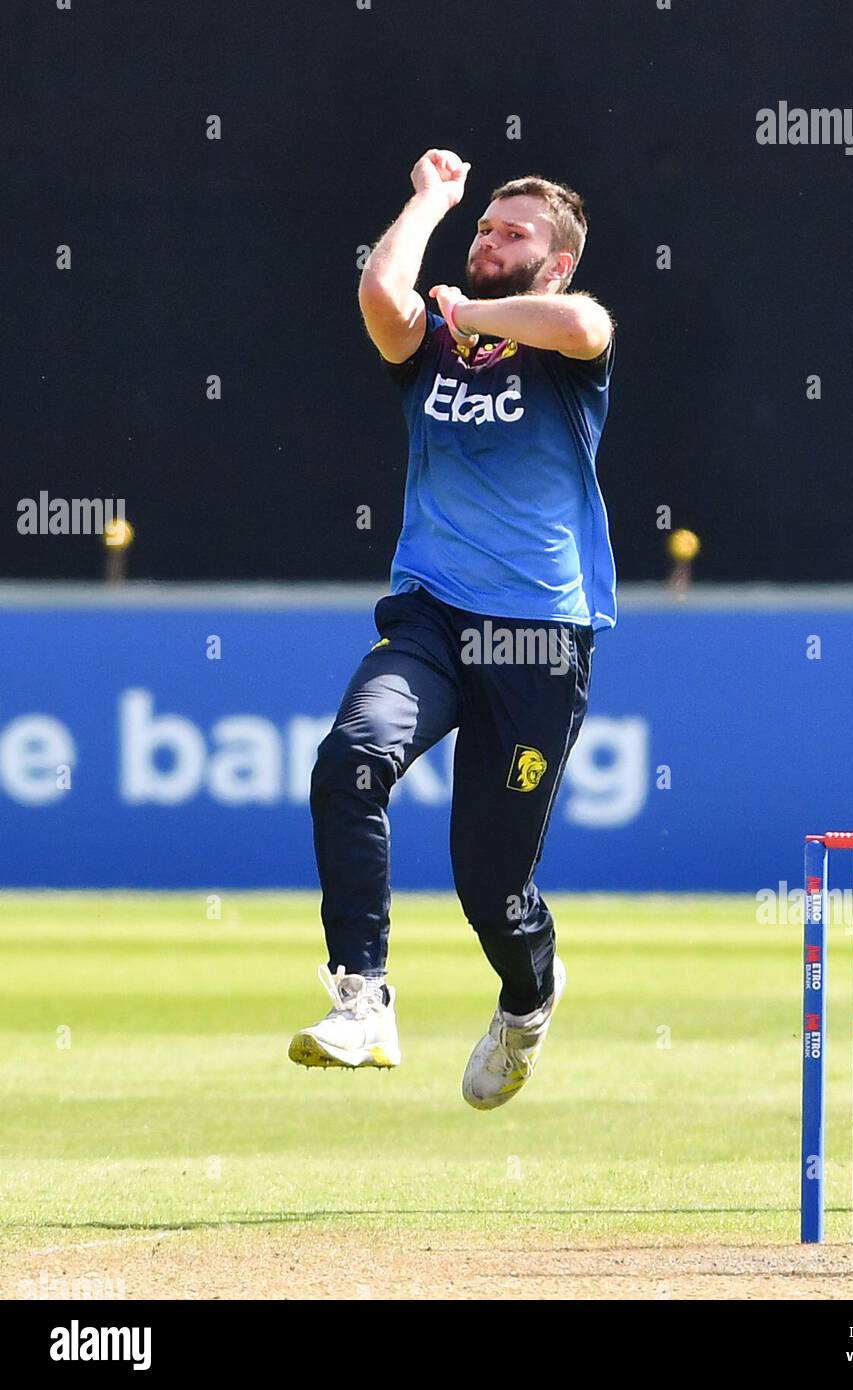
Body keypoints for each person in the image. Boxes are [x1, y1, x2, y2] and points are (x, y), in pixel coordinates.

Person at [288, 149, 617, 1109]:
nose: (488, 241)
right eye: (485, 228)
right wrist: (430, 201)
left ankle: (527, 999)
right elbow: (381, 294)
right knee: (350, 760)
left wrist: (462, 310)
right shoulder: (429, 348)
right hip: (432, 617)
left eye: (512, 233)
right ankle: (362, 999)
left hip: (538, 640)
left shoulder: (562, 345)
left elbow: (583, 323)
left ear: (554, 262)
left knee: (489, 883)